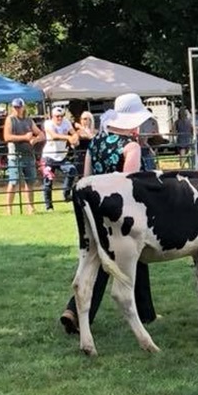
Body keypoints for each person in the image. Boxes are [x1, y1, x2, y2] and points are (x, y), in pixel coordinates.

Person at [60, 98, 156, 335]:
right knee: (109, 261)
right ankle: (75, 309)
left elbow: (86, 179)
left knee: (130, 258)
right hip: (122, 212)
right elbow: (129, 184)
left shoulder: (95, 143)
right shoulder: (131, 147)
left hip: (95, 207)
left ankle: (146, 311)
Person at [3, 98, 44, 215]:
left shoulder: (29, 121)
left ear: (23, 107)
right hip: (15, 155)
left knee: (30, 182)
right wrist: (25, 137)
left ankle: (30, 207)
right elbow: (7, 137)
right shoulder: (10, 120)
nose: (16, 109)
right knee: (14, 181)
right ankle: (9, 208)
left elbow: (41, 134)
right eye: (15, 107)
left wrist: (35, 139)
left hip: (29, 155)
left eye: (18, 107)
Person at [42, 105, 78, 209]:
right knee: (48, 181)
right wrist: (68, 137)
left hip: (62, 156)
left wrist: (75, 139)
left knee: (72, 170)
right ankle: (49, 206)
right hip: (49, 156)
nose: (59, 118)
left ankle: (66, 194)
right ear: (52, 116)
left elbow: (74, 133)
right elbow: (53, 136)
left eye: (61, 116)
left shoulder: (66, 122)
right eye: (57, 116)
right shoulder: (48, 123)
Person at [73, 111, 95, 176]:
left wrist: (82, 128)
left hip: (93, 157)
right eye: (82, 119)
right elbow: (74, 142)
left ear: (90, 120)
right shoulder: (78, 132)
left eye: (85, 119)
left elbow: (92, 137)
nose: (83, 121)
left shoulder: (95, 131)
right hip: (82, 158)